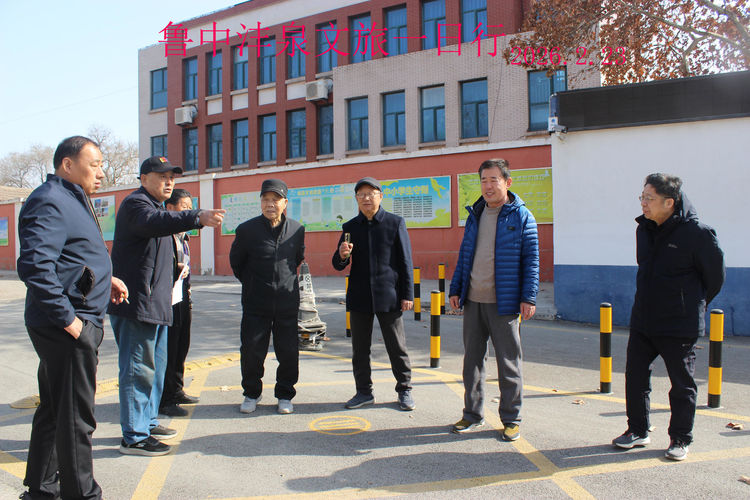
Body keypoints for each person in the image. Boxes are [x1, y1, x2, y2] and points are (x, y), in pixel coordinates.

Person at [17, 136, 128, 500]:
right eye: (94, 164)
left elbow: (71, 256)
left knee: (54, 409)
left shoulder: (72, 198)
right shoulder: (50, 200)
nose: (101, 172)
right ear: (68, 164)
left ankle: (41, 489)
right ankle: (82, 494)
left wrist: (106, 279)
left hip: (71, 318)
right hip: (66, 325)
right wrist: (70, 321)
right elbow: (35, 266)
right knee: (77, 418)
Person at [109, 156, 224, 456]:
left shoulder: (156, 208)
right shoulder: (136, 205)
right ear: (143, 178)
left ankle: (147, 423)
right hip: (137, 304)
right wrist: (196, 216)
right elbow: (156, 223)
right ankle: (134, 436)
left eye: (172, 176)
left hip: (158, 305)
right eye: (162, 176)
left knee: (155, 369)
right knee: (138, 370)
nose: (169, 181)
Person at [612, 173, 724, 461]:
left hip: (679, 323)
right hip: (644, 320)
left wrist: (692, 305)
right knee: (635, 377)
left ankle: (680, 438)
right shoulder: (644, 229)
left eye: (649, 198)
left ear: (669, 202)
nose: (643, 203)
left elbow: (715, 279)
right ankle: (638, 430)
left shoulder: (698, 234)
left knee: (682, 385)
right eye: (642, 197)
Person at [448, 158, 539, 442]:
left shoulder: (522, 216)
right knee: (472, 362)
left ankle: (511, 419)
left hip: (506, 303)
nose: (488, 186)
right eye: (483, 180)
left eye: (494, 180)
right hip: (474, 300)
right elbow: (465, 254)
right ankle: (472, 414)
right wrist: (456, 288)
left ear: (507, 182)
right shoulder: (475, 214)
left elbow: (531, 260)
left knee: (509, 363)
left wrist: (528, 297)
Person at [332, 177, 416, 411]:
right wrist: (342, 254)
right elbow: (338, 264)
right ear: (356, 199)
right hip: (359, 296)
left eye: (371, 193)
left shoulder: (394, 223)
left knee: (396, 347)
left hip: (389, 295)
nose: (366, 198)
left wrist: (408, 294)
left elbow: (406, 261)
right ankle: (363, 392)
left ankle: (405, 389)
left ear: (380, 196)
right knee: (359, 350)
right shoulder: (350, 227)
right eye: (361, 195)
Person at [230, 179, 305, 415]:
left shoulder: (297, 229)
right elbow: (237, 263)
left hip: (286, 302)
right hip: (256, 302)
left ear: (285, 203)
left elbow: (297, 259)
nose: (270, 204)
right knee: (251, 350)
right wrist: (253, 284)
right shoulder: (246, 230)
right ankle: (251, 393)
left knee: (288, 351)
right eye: (265, 199)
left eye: (275, 199)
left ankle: (285, 394)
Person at [158, 188, 200, 417]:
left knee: (182, 346)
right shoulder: (164, 236)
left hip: (182, 296)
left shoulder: (183, 236)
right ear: (170, 208)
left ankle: (177, 390)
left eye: (190, 207)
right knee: (169, 349)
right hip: (167, 301)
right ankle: (165, 399)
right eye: (184, 207)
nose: (188, 212)